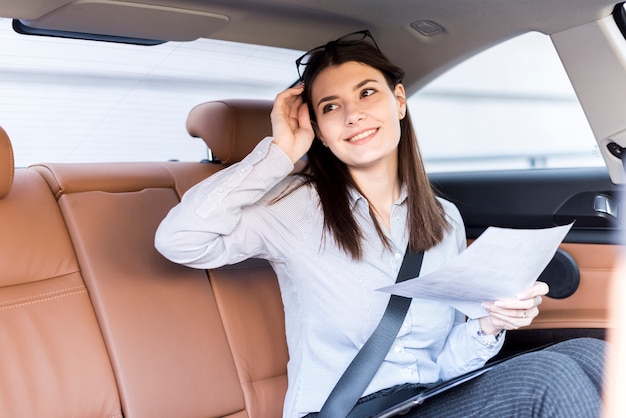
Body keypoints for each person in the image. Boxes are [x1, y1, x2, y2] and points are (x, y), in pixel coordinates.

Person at [155, 30, 605, 418]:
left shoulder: (443, 218)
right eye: (330, 107)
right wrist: (280, 152)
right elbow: (180, 241)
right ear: (319, 129)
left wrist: (491, 325)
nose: (353, 114)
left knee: (593, 354)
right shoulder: (292, 207)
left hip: (428, 399)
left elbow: (442, 365)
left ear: (400, 101)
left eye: (367, 93)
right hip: (346, 410)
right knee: (550, 375)